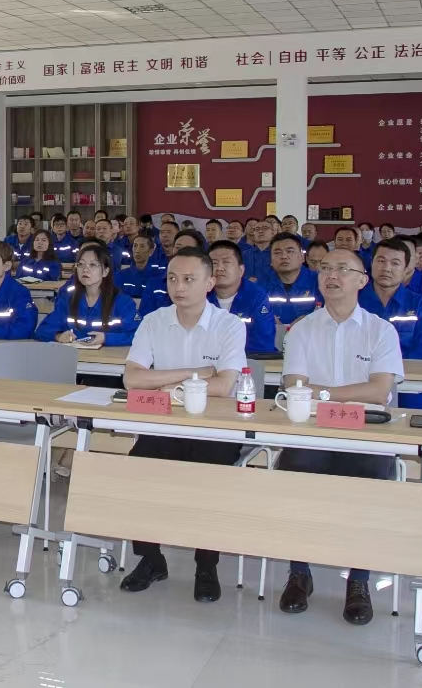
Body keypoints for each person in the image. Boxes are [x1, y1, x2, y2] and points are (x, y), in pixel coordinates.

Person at [276, 248, 403, 626]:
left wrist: (324, 393)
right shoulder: (302, 329)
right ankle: (299, 572)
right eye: (325, 269)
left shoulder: (381, 330)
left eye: (342, 269)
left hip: (365, 431)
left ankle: (359, 579)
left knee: (369, 483)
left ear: (362, 280)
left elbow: (379, 391)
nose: (332, 276)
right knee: (295, 475)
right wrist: (340, 394)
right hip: (312, 430)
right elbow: (293, 386)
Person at [120, 247, 248, 602]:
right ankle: (151, 559)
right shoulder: (154, 321)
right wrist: (196, 374)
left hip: (215, 428)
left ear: (209, 283)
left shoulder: (229, 325)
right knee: (137, 470)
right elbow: (132, 379)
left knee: (209, 478)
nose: (179, 286)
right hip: (165, 425)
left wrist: (166, 384)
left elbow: (224, 386)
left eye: (189, 279)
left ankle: (206, 565)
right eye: (173, 278)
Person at [358, 238, 422, 409]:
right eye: (381, 261)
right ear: (371, 263)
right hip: (358, 382)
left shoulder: (420, 305)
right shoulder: (353, 301)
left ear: (406, 269)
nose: (386, 268)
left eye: (395, 263)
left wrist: (386, 370)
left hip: (407, 384)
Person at [36, 244, 138, 346]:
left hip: (108, 355)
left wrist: (106, 338)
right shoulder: (68, 299)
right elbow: (42, 329)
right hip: (75, 354)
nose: (85, 269)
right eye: (81, 264)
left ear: (105, 271)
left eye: (93, 265)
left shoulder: (122, 302)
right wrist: (58, 335)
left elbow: (138, 334)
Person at [206, 240, 276, 355]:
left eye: (226, 262)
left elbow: (262, 344)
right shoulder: (200, 295)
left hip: (248, 361)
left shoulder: (257, 297)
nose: (219, 268)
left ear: (241, 270)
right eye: (214, 263)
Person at [264, 233, 320, 325]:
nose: (284, 256)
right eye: (277, 253)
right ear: (270, 260)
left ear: (302, 257)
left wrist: (311, 319)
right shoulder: (261, 285)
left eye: (290, 251)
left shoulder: (319, 282)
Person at [117, 234, 165, 301]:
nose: (137, 250)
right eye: (135, 246)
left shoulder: (159, 276)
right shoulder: (121, 275)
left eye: (142, 246)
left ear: (151, 252)